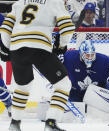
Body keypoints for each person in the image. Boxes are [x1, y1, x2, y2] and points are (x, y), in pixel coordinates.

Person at [0, 0, 75, 130]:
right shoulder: (54, 2)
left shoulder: (19, 2)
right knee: (63, 85)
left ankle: (14, 124)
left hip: (17, 48)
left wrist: (5, 48)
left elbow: (6, 28)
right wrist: (61, 45)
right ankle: (51, 123)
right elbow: (68, 28)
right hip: (39, 46)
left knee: (22, 88)